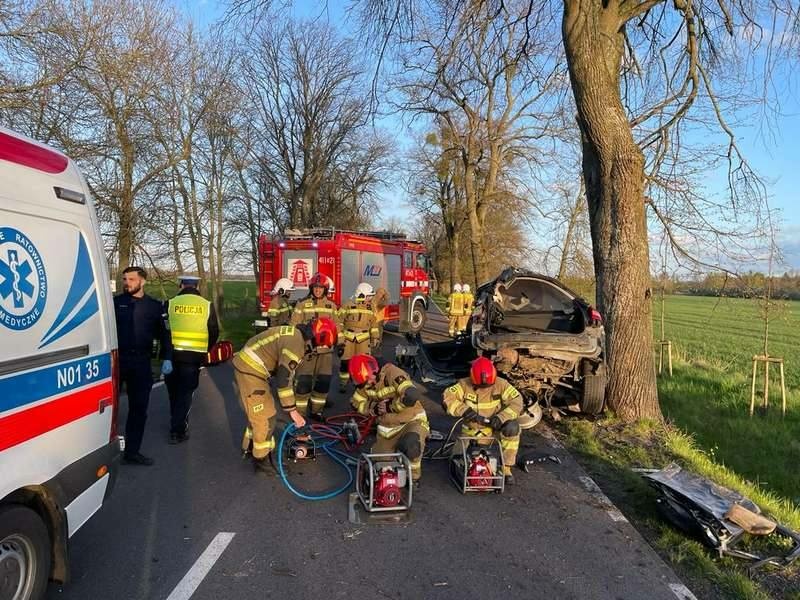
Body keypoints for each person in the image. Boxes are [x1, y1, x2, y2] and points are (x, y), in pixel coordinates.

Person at [232, 317, 338, 474]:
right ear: (317, 336)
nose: (318, 349)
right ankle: (261, 461)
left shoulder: (296, 335)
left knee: (256, 414)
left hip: (250, 368)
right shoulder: (296, 344)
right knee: (266, 418)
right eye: (320, 344)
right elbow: (283, 380)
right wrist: (293, 411)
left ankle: (249, 448)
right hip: (251, 371)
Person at [113, 266, 172, 466]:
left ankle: (132, 452)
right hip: (116, 362)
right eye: (124, 279)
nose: (126, 283)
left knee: (138, 409)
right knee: (109, 409)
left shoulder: (154, 306)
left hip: (141, 363)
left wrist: (167, 357)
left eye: (131, 279)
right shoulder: (115, 303)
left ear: (142, 281)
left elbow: (165, 334)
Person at [442, 356, 523, 485]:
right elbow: (447, 397)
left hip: (494, 429)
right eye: (480, 386)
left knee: (512, 427)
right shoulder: (463, 384)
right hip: (471, 432)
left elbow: (517, 402)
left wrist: (501, 418)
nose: (485, 389)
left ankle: (506, 468)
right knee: (457, 462)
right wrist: (465, 411)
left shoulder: (501, 384)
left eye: (488, 386)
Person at [348, 354, 428, 483]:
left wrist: (390, 407)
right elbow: (356, 402)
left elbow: (412, 395)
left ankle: (413, 477)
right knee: (379, 466)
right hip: (388, 428)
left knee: (412, 446)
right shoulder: (364, 383)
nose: (370, 384)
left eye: (370, 379)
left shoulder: (393, 373)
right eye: (365, 382)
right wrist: (373, 408)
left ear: (373, 371)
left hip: (412, 420)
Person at [164, 275, 219, 444]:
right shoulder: (206, 305)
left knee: (173, 392)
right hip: (193, 357)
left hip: (171, 356)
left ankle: (176, 422)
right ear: (197, 286)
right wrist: (205, 349)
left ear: (181, 285)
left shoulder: (170, 303)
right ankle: (177, 430)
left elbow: (163, 330)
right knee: (185, 393)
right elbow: (214, 331)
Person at [290, 274, 340, 417]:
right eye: (315, 288)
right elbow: (293, 325)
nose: (318, 290)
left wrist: (341, 343)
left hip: (326, 352)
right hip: (308, 351)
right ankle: (300, 413)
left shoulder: (331, 306)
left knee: (323, 383)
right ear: (311, 288)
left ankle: (317, 411)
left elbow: (338, 327)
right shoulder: (302, 304)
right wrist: (303, 330)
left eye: (321, 288)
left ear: (325, 289)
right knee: (304, 382)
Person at [338, 282, 380, 392]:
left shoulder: (371, 308)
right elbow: (339, 321)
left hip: (364, 340)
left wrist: (375, 337)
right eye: (368, 296)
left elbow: (374, 324)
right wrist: (340, 338)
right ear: (361, 295)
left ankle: (361, 383)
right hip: (348, 339)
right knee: (345, 362)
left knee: (363, 363)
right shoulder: (347, 305)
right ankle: (343, 383)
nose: (370, 299)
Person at [372, 287, 390, 351]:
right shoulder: (379, 301)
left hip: (376, 321)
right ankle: (377, 348)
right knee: (378, 336)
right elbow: (386, 303)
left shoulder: (374, 299)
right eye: (382, 293)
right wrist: (386, 296)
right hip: (378, 322)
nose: (382, 294)